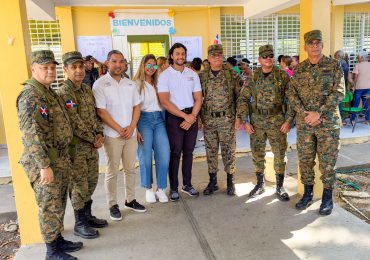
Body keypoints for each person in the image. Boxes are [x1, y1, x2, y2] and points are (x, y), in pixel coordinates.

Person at [17, 50, 82, 259]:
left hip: (59, 159)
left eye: (52, 67)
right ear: (33, 69)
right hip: (45, 162)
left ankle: (57, 239)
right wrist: (44, 166)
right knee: (49, 205)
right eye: (44, 67)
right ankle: (51, 251)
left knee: (59, 202)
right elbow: (31, 135)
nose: (49, 71)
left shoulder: (48, 91)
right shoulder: (30, 95)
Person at [287, 30, 345, 215]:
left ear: (322, 45)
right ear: (305, 47)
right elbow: (291, 94)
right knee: (305, 160)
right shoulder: (299, 69)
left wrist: (318, 113)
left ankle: (327, 198)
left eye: (317, 42)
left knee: (328, 162)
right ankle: (307, 194)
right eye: (310, 43)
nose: (314, 45)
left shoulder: (334, 65)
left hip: (328, 123)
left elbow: (339, 92)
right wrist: (305, 114)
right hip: (305, 124)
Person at [57, 51, 108, 240]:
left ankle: (87, 216)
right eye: (74, 67)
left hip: (91, 146)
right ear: (66, 69)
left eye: (80, 66)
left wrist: (100, 133)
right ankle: (79, 223)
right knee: (79, 185)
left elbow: (94, 116)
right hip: (77, 147)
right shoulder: (64, 93)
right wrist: (92, 137)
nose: (78, 70)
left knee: (91, 181)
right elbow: (74, 121)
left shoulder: (86, 89)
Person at [93, 50, 146, 221]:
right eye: (114, 61)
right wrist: (119, 128)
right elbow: (101, 111)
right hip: (112, 135)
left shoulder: (130, 84)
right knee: (112, 170)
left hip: (130, 135)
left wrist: (131, 127)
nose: (118, 65)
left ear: (124, 64)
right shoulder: (100, 84)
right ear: (107, 63)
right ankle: (112, 204)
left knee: (130, 169)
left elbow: (137, 107)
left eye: (121, 62)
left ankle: (130, 200)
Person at [236, 45, 294, 201]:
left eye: (271, 55)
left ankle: (280, 186)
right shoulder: (252, 77)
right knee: (257, 154)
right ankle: (260, 184)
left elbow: (292, 100)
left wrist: (289, 120)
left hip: (278, 121)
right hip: (257, 123)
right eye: (265, 56)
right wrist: (245, 122)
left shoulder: (282, 76)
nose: (269, 58)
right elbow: (242, 99)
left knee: (280, 154)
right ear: (260, 59)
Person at [157, 43, 202, 202]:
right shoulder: (164, 76)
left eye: (183, 53)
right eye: (177, 54)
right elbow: (164, 101)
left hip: (192, 116)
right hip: (175, 117)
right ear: (171, 56)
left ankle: (187, 185)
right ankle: (174, 188)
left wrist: (192, 117)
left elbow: (198, 98)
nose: (181, 56)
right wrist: (184, 116)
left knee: (189, 152)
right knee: (175, 153)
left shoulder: (192, 74)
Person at [199, 44, 242, 196]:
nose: (217, 57)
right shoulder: (202, 76)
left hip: (227, 119)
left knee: (228, 151)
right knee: (210, 151)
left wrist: (239, 118)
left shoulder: (232, 75)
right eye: (213, 55)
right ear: (209, 58)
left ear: (223, 56)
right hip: (209, 120)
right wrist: (198, 118)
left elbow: (240, 98)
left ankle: (231, 181)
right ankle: (213, 181)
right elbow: (198, 99)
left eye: (219, 54)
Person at [133, 54, 170, 203]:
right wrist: (135, 128)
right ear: (142, 65)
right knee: (145, 156)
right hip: (143, 120)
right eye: (148, 64)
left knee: (164, 153)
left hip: (159, 120)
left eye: (154, 65)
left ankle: (161, 188)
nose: (151, 68)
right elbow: (132, 108)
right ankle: (148, 188)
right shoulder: (135, 84)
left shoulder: (159, 83)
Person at [348, 51, 370, 123]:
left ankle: (353, 119)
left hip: (359, 87)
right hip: (368, 87)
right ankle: (367, 119)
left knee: (356, 103)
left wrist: (353, 85)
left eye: (358, 57)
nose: (357, 58)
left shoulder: (358, 65)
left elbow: (356, 77)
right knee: (366, 103)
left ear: (362, 57)